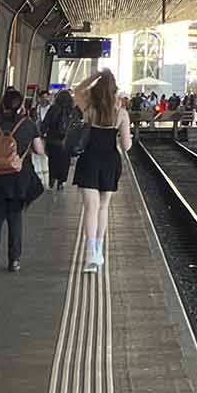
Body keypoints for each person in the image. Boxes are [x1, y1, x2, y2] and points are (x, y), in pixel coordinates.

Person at [0, 88, 44, 272]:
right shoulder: (29, 125)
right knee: (15, 217)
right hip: (20, 178)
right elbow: (39, 150)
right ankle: (14, 260)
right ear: (21, 106)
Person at [71, 68, 132, 274]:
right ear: (114, 92)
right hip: (110, 161)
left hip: (89, 159)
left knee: (90, 208)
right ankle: (98, 251)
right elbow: (126, 146)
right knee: (103, 207)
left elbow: (77, 89)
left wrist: (98, 75)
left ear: (96, 90)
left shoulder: (89, 109)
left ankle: (90, 255)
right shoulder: (121, 114)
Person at [43, 89, 78, 189]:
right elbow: (76, 126)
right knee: (64, 162)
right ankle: (61, 181)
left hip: (52, 140)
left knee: (52, 160)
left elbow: (45, 123)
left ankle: (52, 179)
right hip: (66, 142)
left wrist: (41, 134)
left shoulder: (53, 109)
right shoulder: (72, 110)